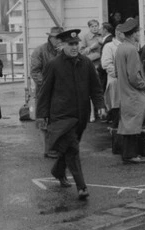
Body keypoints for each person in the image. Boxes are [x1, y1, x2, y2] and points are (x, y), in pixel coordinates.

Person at [35, 29, 106, 199]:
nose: (75, 47)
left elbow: (96, 88)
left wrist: (100, 105)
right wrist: (41, 115)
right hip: (61, 116)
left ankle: (58, 171)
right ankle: (82, 187)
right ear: (62, 45)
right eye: (71, 44)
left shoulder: (86, 63)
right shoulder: (53, 65)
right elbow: (44, 92)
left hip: (81, 115)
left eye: (76, 44)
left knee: (68, 148)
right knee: (73, 149)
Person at [115, 19, 145, 163]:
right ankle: (130, 155)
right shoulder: (131, 49)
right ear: (133, 33)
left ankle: (126, 153)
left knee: (126, 122)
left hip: (123, 89)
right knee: (133, 124)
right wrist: (143, 85)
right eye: (137, 32)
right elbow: (134, 76)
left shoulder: (121, 47)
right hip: (133, 91)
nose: (139, 35)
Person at [31, 25, 64, 158]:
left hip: (62, 92)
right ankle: (49, 149)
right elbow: (35, 71)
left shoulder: (64, 51)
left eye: (60, 38)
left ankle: (57, 147)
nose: (58, 40)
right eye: (55, 38)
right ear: (49, 37)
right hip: (44, 91)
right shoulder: (40, 51)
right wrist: (47, 84)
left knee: (59, 120)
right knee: (45, 120)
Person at [101, 23, 123, 126]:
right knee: (116, 108)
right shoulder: (109, 46)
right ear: (118, 33)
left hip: (126, 84)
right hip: (115, 81)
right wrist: (120, 74)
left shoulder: (129, 45)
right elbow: (106, 64)